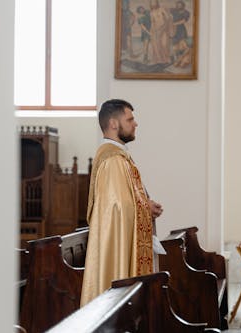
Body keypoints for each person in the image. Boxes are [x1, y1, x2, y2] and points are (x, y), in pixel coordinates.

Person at [80, 99, 163, 306]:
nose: (135, 124)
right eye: (130, 119)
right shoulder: (113, 160)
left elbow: (126, 200)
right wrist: (145, 207)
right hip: (118, 246)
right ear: (114, 124)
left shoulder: (119, 157)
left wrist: (146, 204)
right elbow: (117, 208)